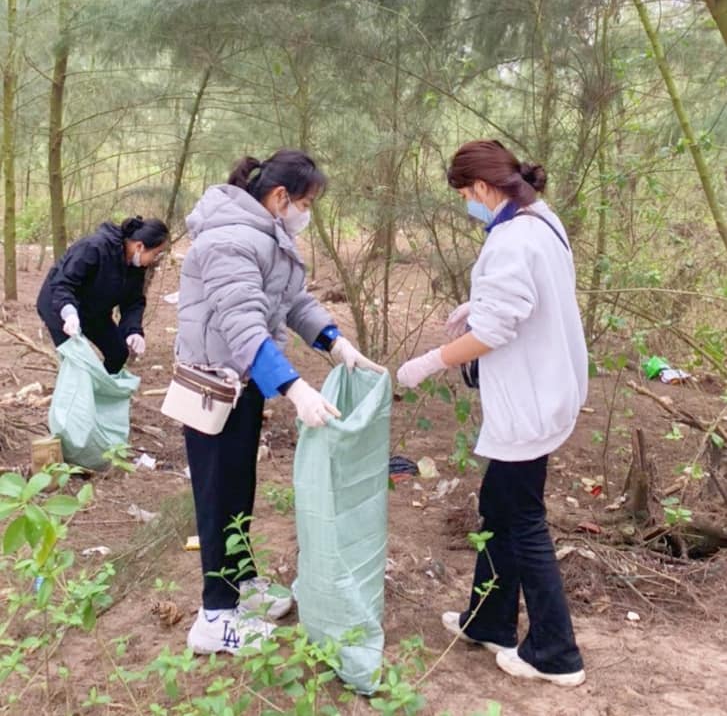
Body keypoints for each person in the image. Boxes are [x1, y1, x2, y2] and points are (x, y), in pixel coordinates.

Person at [177, 148, 384, 656]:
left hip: (242, 380)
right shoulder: (229, 240)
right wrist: (293, 386)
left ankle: (241, 583)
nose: (307, 214)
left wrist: (334, 341)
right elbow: (242, 321)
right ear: (280, 196)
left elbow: (292, 302)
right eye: (307, 203)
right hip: (212, 386)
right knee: (217, 494)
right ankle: (215, 616)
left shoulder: (268, 237)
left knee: (238, 485)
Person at [397, 139, 587, 688]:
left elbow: (497, 330)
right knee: (498, 506)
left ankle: (556, 653)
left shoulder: (512, 239)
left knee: (522, 518)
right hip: (548, 387)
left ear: (482, 188)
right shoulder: (540, 219)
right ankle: (490, 620)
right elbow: (526, 300)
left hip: (529, 399)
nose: (467, 206)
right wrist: (476, 305)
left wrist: (428, 363)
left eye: (465, 196)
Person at [37, 216, 169, 374]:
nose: (155, 259)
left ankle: (102, 392)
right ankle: (76, 396)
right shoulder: (94, 247)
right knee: (77, 360)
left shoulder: (136, 267)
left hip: (94, 310)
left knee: (118, 353)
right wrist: (68, 311)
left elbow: (133, 301)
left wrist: (133, 330)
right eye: (156, 253)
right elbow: (63, 283)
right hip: (59, 305)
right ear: (139, 246)